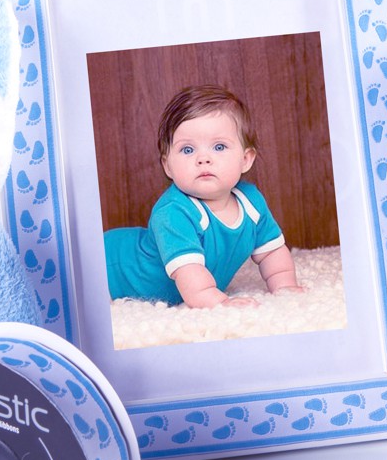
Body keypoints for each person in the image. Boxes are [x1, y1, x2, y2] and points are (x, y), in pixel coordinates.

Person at [104, 85, 304, 307]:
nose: (203, 158)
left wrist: (285, 285)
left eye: (219, 147)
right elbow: (192, 280)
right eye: (188, 150)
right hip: (111, 265)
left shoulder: (252, 202)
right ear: (168, 166)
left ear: (245, 159)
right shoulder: (173, 212)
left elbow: (272, 252)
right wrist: (220, 303)